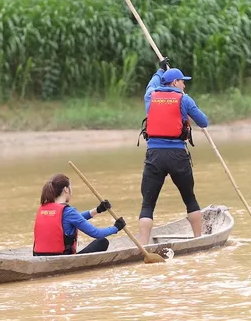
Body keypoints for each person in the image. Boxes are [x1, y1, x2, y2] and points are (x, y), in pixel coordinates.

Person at [136, 57, 209, 245]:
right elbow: (204, 122)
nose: (184, 85)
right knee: (190, 198)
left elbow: (151, 84)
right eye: (183, 82)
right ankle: (199, 241)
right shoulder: (185, 99)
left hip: (154, 156)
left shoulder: (150, 96)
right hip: (178, 155)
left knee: (147, 205)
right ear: (175, 82)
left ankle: (142, 247)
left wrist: (160, 71)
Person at [33, 173, 126, 256]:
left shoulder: (42, 209)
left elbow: (74, 220)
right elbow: (97, 233)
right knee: (102, 242)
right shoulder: (69, 212)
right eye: (71, 188)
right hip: (63, 258)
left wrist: (97, 210)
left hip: (39, 256)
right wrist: (116, 227)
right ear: (66, 189)